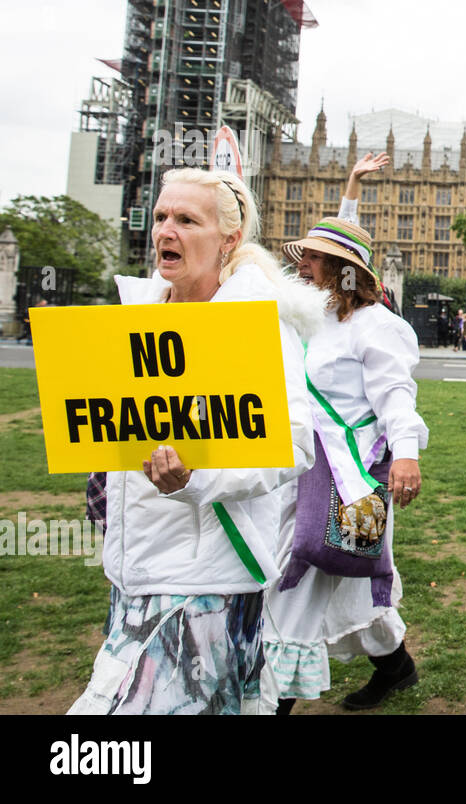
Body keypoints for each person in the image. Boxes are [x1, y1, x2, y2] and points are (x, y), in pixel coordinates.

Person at [69, 168, 319, 715]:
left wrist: (195, 479)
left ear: (228, 239)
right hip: (132, 570)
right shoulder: (136, 316)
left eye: (186, 220)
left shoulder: (257, 325)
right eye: (161, 217)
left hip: (206, 577)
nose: (166, 231)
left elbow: (295, 445)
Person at [267, 174, 429, 713]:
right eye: (303, 255)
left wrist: (405, 452)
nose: (301, 265)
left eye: (314, 258)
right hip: (297, 471)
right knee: (355, 580)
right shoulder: (310, 318)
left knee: (298, 585)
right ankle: (397, 668)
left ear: (343, 270)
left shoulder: (377, 326)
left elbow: (396, 394)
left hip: (349, 475)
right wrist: (352, 188)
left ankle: (272, 702)